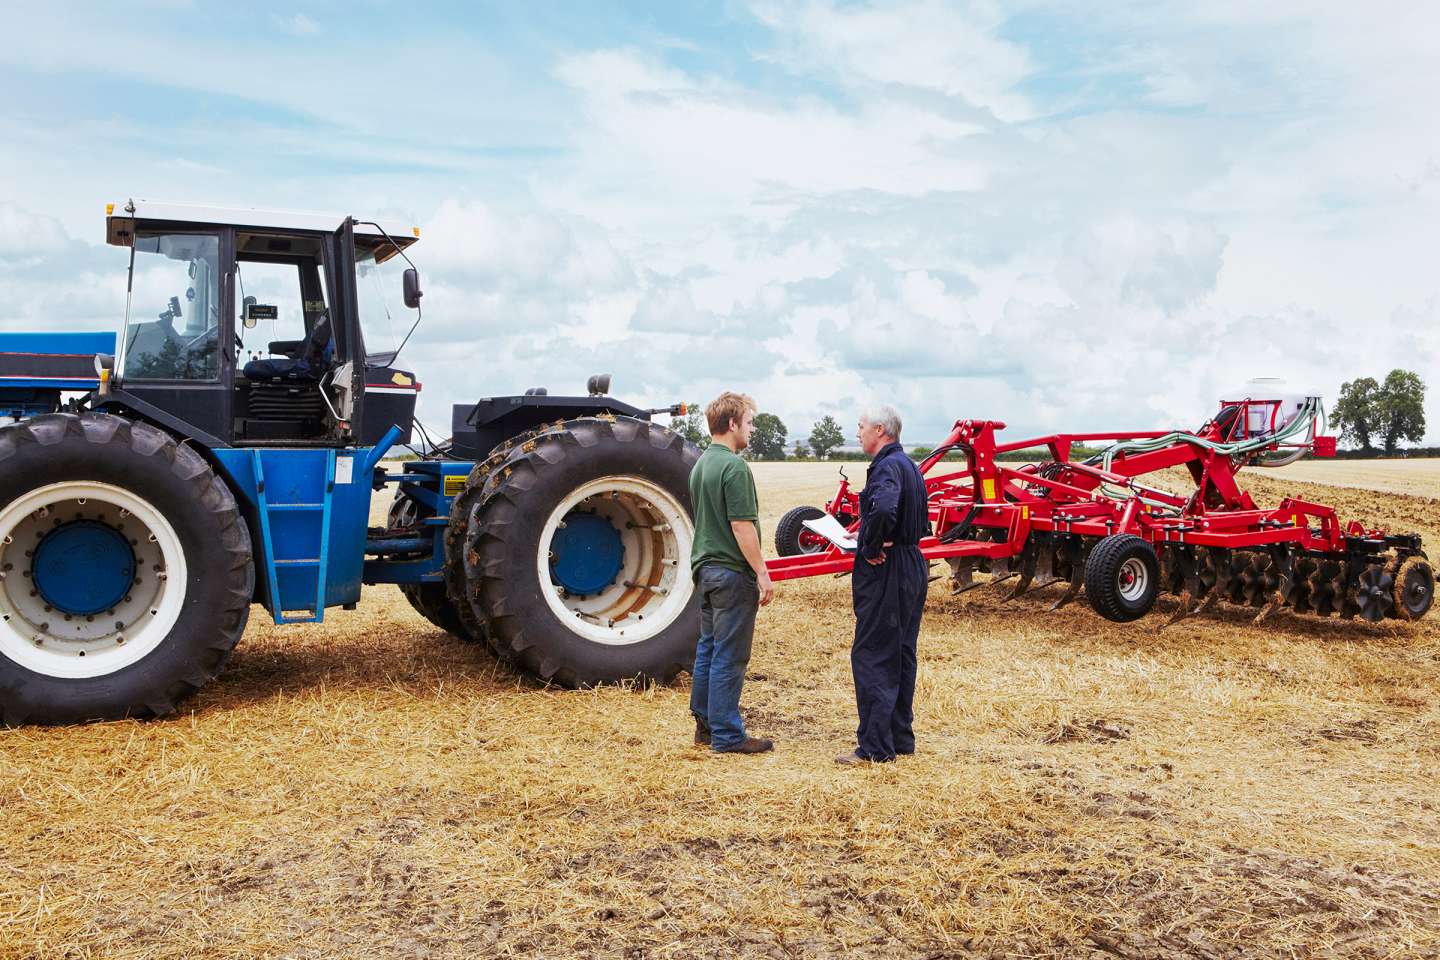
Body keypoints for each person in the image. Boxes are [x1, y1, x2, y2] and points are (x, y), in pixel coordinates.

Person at [837, 404, 929, 765]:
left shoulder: (887, 467)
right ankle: (899, 737)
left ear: (880, 430)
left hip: (889, 569)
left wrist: (871, 545)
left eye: (861, 427)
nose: (857, 433)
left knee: (873, 654)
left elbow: (886, 507)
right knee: (902, 652)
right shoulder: (908, 465)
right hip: (911, 563)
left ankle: (875, 746)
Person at [688, 392, 776, 755]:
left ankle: (706, 726)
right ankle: (727, 734)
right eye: (750, 422)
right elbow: (742, 526)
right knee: (731, 654)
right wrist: (762, 572)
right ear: (732, 424)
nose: (752, 429)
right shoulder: (734, 467)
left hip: (706, 572)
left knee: (708, 648)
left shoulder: (701, 465)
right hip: (730, 573)